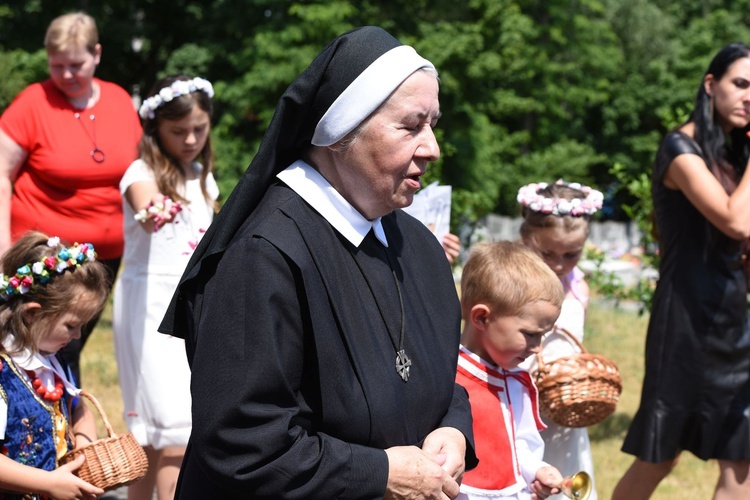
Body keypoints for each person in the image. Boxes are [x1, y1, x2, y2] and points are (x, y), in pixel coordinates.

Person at [158, 26, 477, 498]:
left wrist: (453, 430)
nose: (431, 148)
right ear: (341, 132)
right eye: (411, 126)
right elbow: (241, 444)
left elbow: (434, 376)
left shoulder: (418, 245)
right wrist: (379, 474)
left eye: (433, 125)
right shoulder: (264, 256)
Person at [612, 42, 750, 499]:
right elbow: (734, 219)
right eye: (741, 84)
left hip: (733, 323)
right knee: (660, 456)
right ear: (711, 85)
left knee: (741, 458)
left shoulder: (734, 159)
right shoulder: (679, 148)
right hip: (686, 321)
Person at [0, 12, 142, 384]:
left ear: (96, 54)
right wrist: (2, 248)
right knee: (54, 346)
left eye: (75, 64)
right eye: (56, 65)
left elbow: (139, 170)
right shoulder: (33, 103)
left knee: (73, 343)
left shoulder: (119, 100)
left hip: (105, 258)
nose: (65, 74)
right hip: (46, 259)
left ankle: (65, 421)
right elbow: (1, 175)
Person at [112, 74, 219, 500]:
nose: (191, 139)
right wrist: (152, 209)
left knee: (158, 439)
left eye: (199, 128)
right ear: (156, 128)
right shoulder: (140, 172)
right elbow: (145, 200)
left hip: (191, 308)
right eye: (178, 131)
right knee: (174, 431)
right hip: (151, 311)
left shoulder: (201, 177)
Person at [0, 231, 110, 499]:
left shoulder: (51, 359)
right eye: (72, 325)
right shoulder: (3, 373)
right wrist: (47, 482)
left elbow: (78, 409)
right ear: (32, 314)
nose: (78, 336)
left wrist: (82, 449)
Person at [456, 241, 565, 500]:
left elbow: (520, 446)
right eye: (530, 335)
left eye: (543, 336)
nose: (537, 348)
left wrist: (537, 471)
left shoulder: (517, 380)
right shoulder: (446, 376)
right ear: (482, 318)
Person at [516, 180, 603, 499]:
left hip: (565, 417)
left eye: (571, 254)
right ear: (526, 238)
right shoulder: (511, 287)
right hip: (520, 413)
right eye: (547, 252)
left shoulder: (578, 289)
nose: (558, 264)